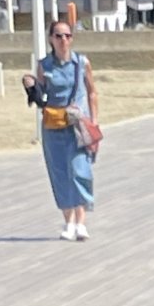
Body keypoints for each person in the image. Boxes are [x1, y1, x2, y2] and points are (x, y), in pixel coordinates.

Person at [27, 21, 98, 239]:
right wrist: (31, 86)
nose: (63, 40)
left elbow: (92, 92)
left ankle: (81, 222)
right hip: (54, 125)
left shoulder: (81, 63)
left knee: (80, 170)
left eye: (67, 36)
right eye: (58, 36)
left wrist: (94, 121)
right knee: (59, 172)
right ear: (51, 39)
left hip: (77, 123)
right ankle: (68, 221)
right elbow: (41, 95)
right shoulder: (45, 65)